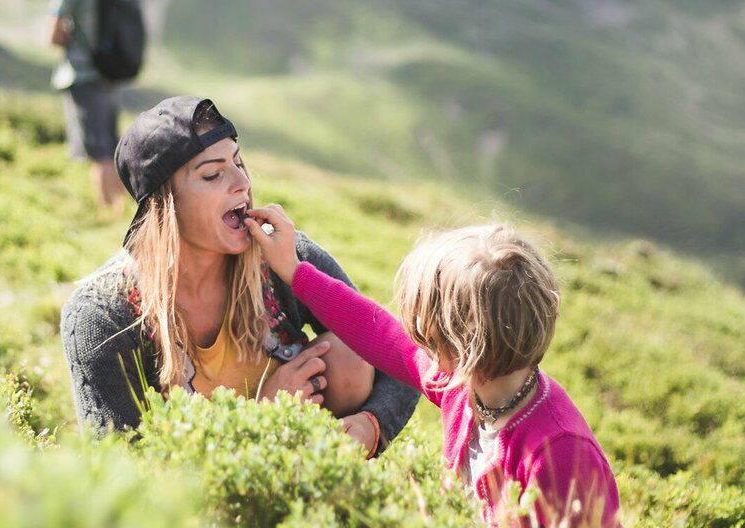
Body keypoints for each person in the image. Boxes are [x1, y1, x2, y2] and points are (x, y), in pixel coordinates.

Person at [60, 97, 421, 458]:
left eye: (238, 162)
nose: (242, 183)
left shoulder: (282, 257)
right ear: (164, 204)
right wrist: (259, 416)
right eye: (212, 174)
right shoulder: (101, 315)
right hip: (195, 487)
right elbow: (122, 465)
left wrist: (373, 425)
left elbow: (402, 354)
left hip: (302, 467)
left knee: (349, 354)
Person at [242, 208, 622, 527]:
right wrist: (294, 271)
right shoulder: (464, 384)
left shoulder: (561, 451)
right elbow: (376, 330)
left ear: (459, 345)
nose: (413, 332)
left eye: (424, 327)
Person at [48, 0, 126, 208]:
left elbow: (55, 34)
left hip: (82, 75)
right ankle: (125, 207)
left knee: (99, 152)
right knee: (113, 147)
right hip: (110, 72)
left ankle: (107, 210)